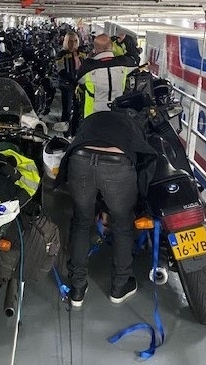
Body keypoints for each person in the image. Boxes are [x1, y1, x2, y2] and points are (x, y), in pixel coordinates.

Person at [54, 111, 157, 307]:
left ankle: (77, 289)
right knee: (122, 224)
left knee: (81, 222)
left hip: (80, 160)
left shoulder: (92, 120)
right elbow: (144, 160)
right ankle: (120, 285)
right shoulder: (131, 125)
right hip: (116, 164)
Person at [77, 34, 137, 119]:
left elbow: (79, 80)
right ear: (112, 46)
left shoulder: (88, 67)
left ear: (95, 49)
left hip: (93, 114)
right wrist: (126, 39)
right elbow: (135, 58)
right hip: (117, 112)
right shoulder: (123, 63)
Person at [53, 31, 85, 133]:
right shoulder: (61, 54)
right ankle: (64, 130)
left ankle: (75, 130)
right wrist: (73, 80)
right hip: (67, 84)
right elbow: (61, 70)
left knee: (78, 108)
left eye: (75, 41)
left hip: (79, 84)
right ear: (66, 42)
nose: (73, 43)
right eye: (70, 41)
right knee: (66, 109)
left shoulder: (82, 53)